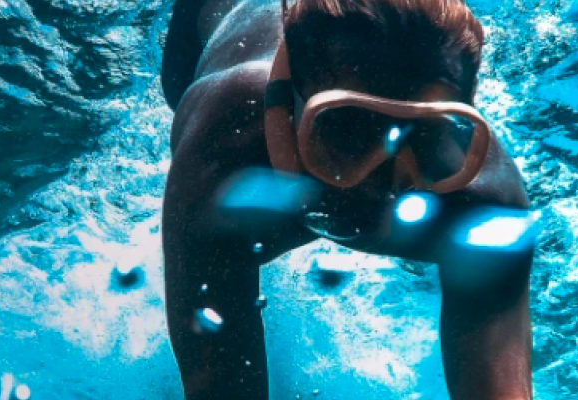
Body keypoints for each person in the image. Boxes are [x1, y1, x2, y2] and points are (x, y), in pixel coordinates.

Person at [159, 0, 535, 399]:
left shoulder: (486, 201)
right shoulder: (222, 152)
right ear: (285, 104)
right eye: (348, 131)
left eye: (427, 139)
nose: (386, 190)